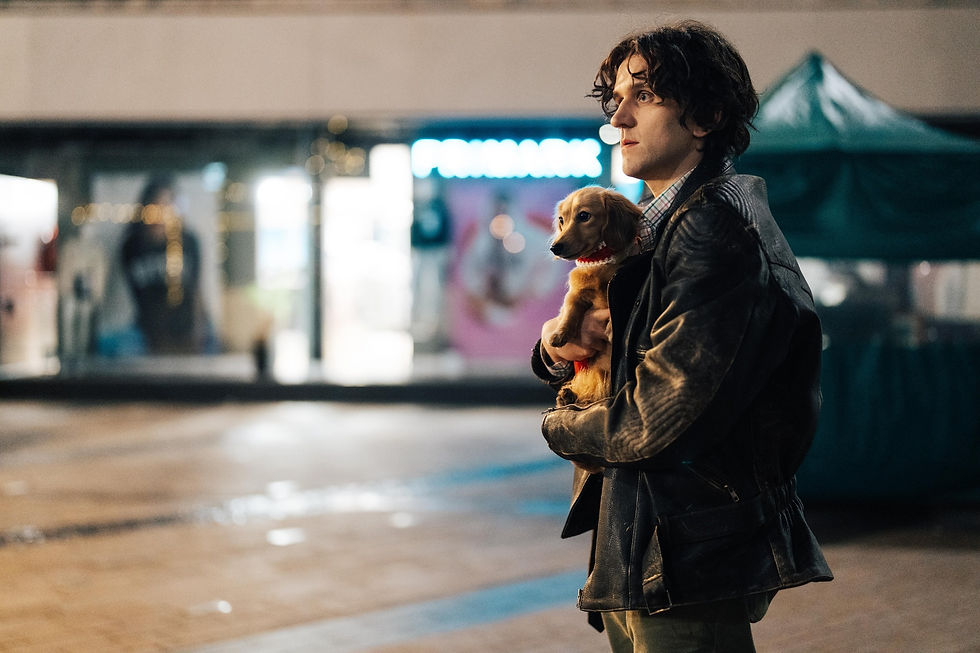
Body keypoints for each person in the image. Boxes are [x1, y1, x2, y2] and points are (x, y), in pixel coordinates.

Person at [531, 21, 833, 652]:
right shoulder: (659, 231)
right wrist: (556, 351)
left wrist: (558, 426)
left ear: (705, 116)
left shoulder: (709, 231)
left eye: (644, 95)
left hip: (683, 548)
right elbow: (623, 353)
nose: (620, 115)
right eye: (616, 98)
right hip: (649, 537)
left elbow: (655, 416)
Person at [120, 176, 211, 355]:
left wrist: (198, 330)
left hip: (188, 329)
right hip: (148, 333)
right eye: (157, 206)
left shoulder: (188, 241)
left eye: (168, 206)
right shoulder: (132, 246)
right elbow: (138, 298)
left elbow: (196, 290)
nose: (163, 214)